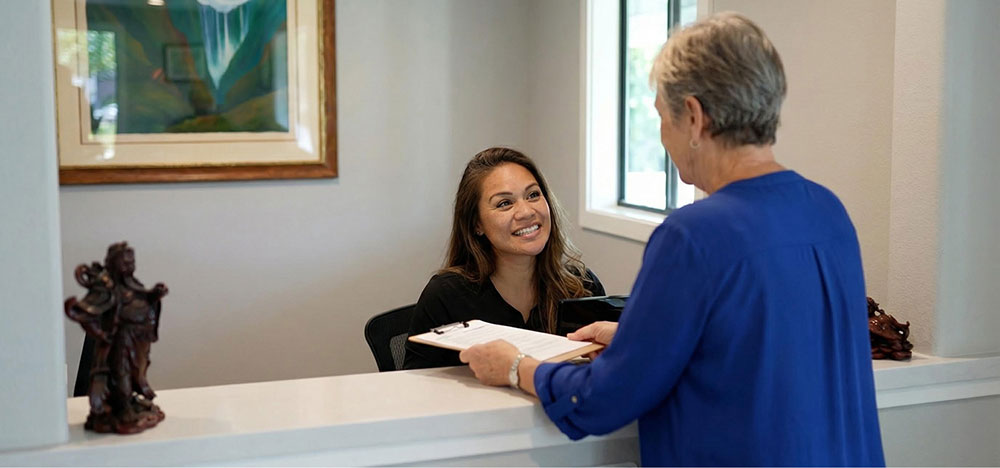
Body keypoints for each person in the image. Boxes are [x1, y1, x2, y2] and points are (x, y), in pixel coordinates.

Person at [458, 12, 884, 467]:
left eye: (662, 116)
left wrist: (513, 365)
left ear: (695, 117)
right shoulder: (827, 211)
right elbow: (762, 347)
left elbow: (602, 401)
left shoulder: (693, 235)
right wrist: (640, 339)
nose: (663, 135)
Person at [403, 147, 605, 369]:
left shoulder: (583, 287)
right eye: (504, 203)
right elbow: (416, 391)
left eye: (533, 195)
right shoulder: (446, 295)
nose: (526, 212)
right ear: (476, 224)